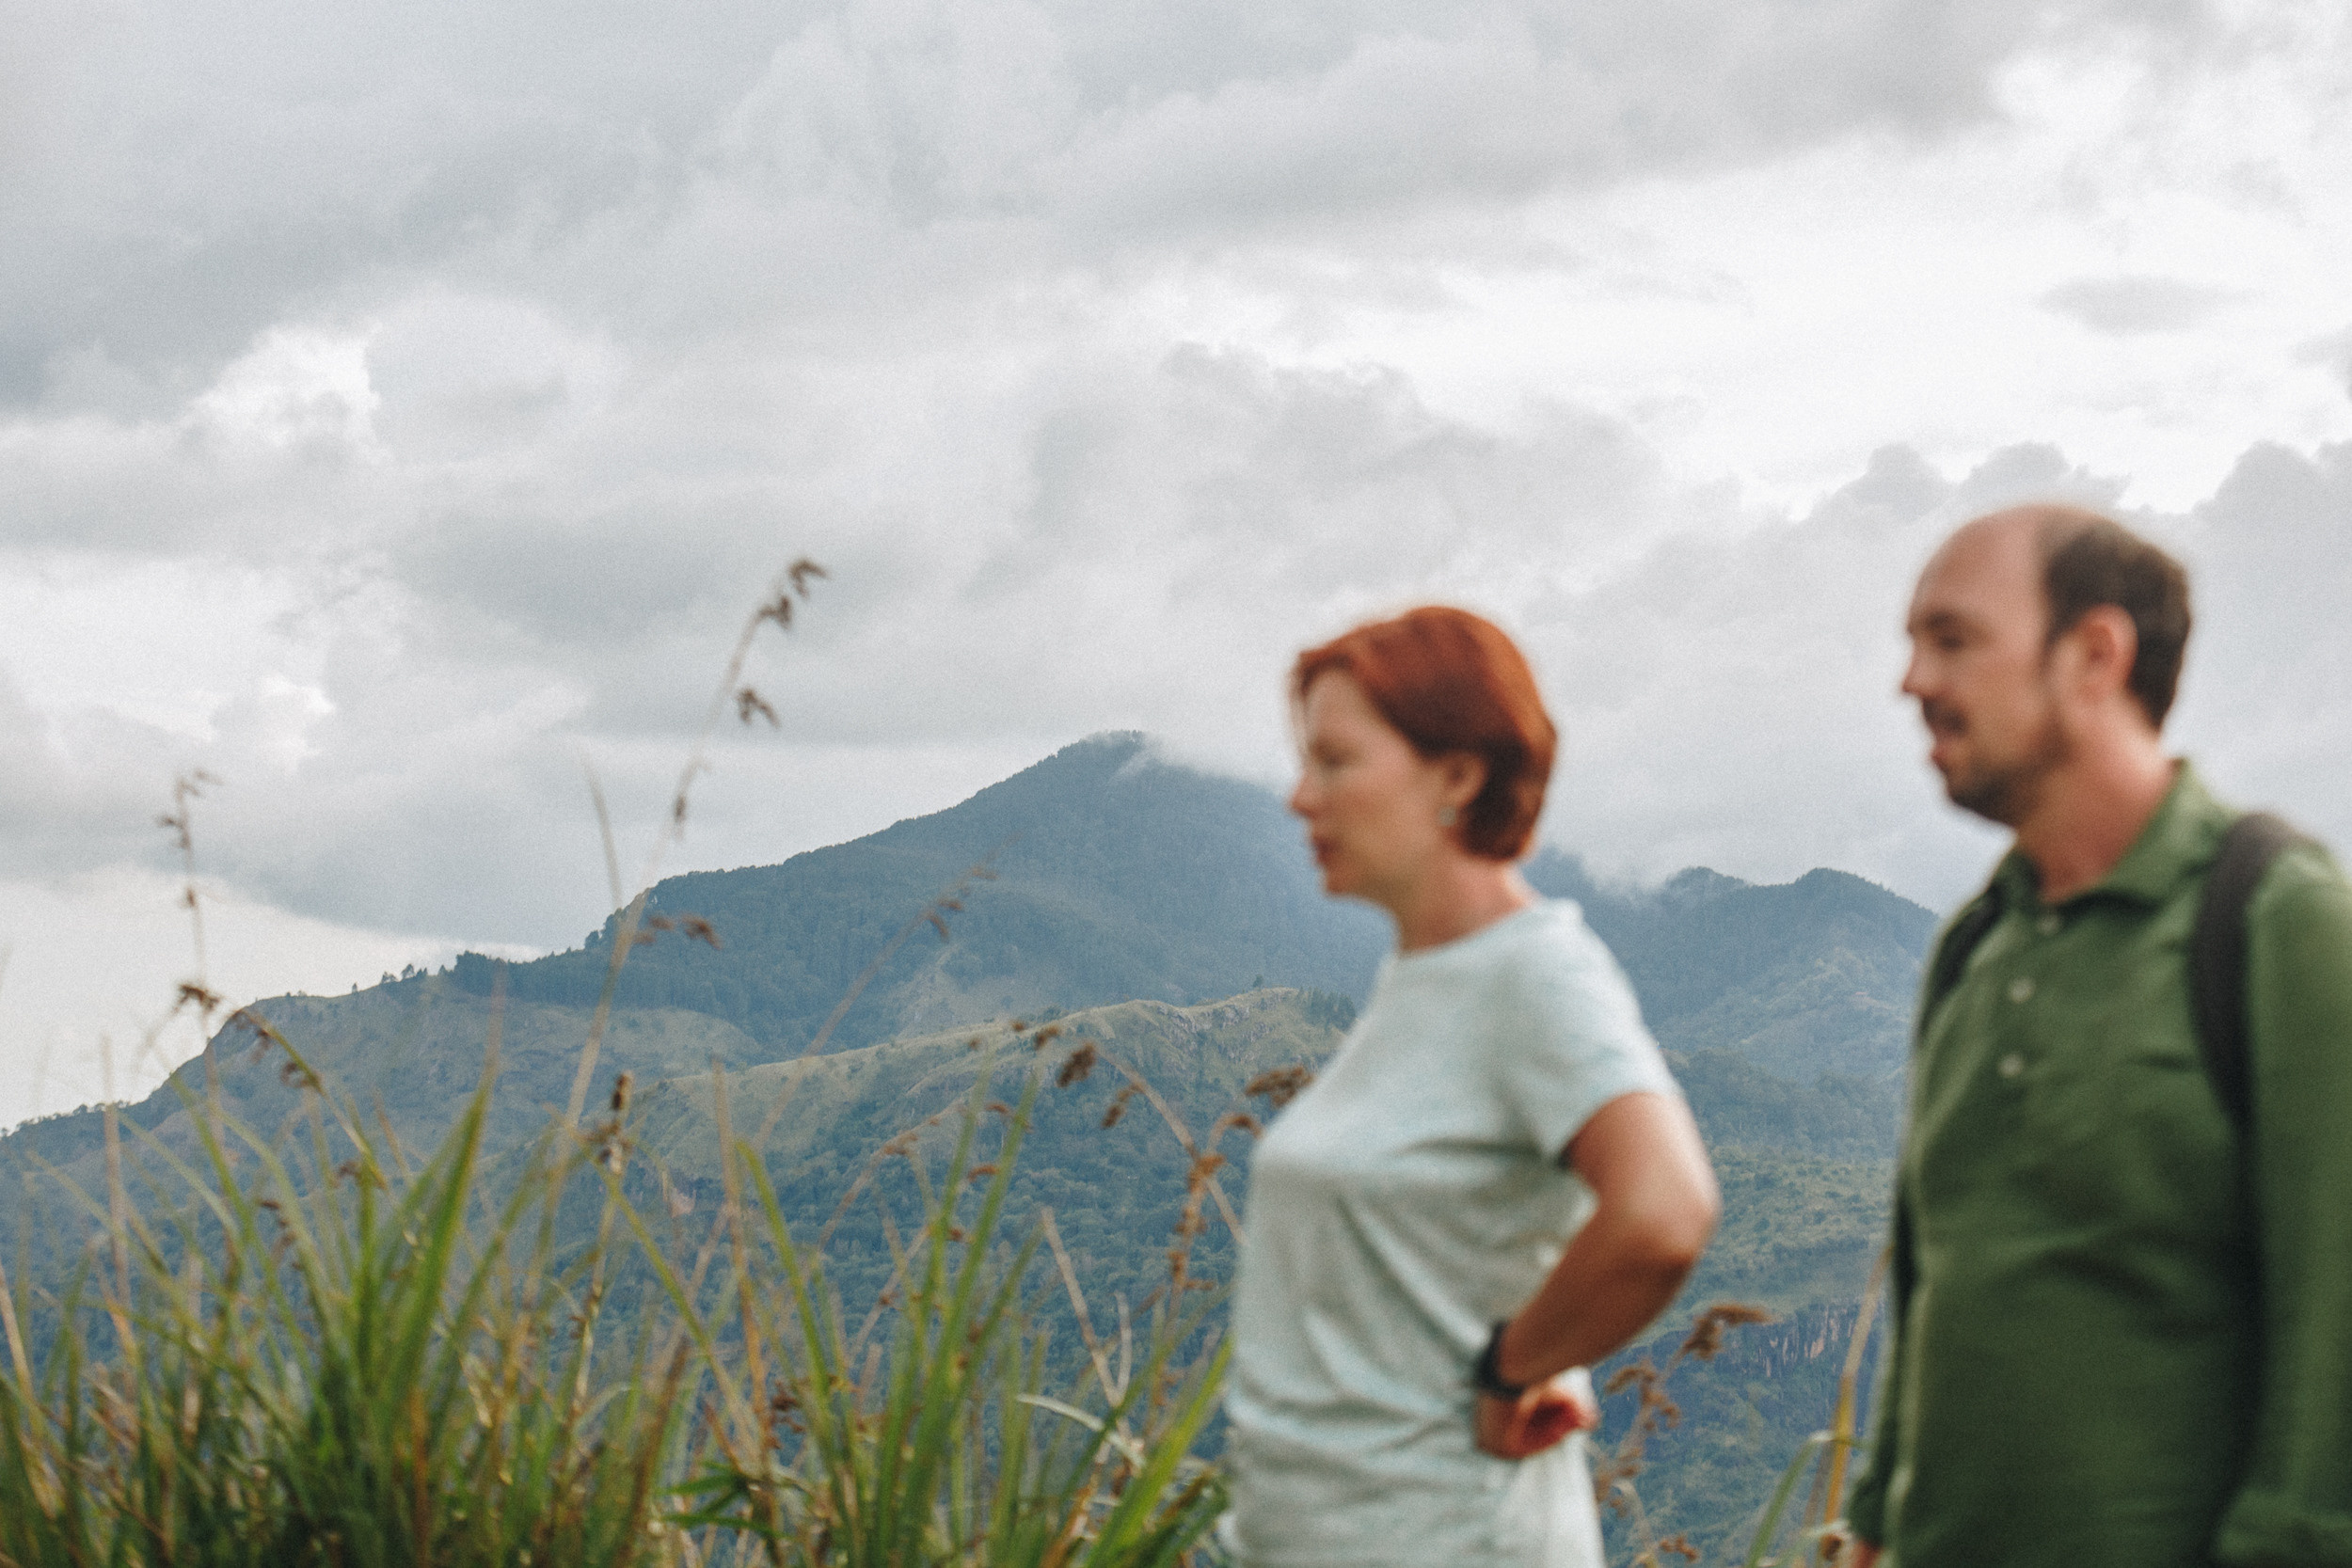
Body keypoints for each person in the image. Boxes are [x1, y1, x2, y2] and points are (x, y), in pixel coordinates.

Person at [1843, 506, 2352, 1567]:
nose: (1912, 682)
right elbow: (1932, 1275)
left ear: (2094, 653)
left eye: (1951, 638)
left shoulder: (2276, 918)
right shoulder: (1970, 950)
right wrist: (1874, 1523)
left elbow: (2334, 1314)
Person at [1225, 606, 1721, 1568]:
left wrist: (1514, 1364)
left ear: (1456, 773)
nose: (1297, 797)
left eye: (1334, 761)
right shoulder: (1421, 980)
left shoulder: (1533, 973)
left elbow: (1662, 1208)